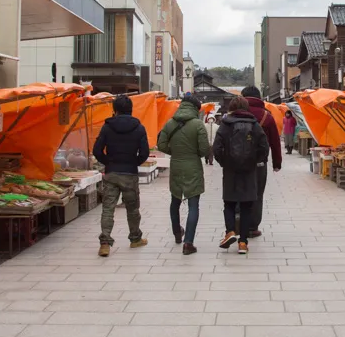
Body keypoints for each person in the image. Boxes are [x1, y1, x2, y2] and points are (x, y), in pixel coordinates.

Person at [93, 94, 149, 257]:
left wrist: (108, 162)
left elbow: (97, 150)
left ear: (115, 110)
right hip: (130, 173)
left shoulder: (107, 127)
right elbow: (144, 152)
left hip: (111, 173)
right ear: (131, 109)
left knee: (108, 208)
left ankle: (105, 243)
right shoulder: (139, 128)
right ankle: (135, 238)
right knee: (132, 209)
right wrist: (134, 162)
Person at [212, 96, 268, 254]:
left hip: (230, 171)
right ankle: (243, 243)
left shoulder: (225, 124)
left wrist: (224, 162)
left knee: (229, 203)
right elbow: (264, 147)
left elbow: (216, 148)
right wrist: (254, 161)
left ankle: (230, 231)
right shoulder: (255, 125)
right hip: (249, 171)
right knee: (246, 207)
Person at [157, 95, 210, 255]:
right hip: (192, 166)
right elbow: (204, 150)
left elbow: (161, 144)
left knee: (175, 201)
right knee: (193, 205)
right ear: (195, 108)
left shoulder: (170, 123)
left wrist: (174, 152)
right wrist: (193, 153)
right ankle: (189, 243)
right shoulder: (198, 124)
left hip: (176, 164)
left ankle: (177, 233)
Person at [240, 86, 281, 239]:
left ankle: (239, 222)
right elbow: (275, 142)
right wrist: (277, 163)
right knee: (257, 194)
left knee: (239, 190)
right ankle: (252, 227)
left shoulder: (233, 115)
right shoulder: (267, 117)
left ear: (243, 98)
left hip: (237, 163)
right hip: (259, 163)